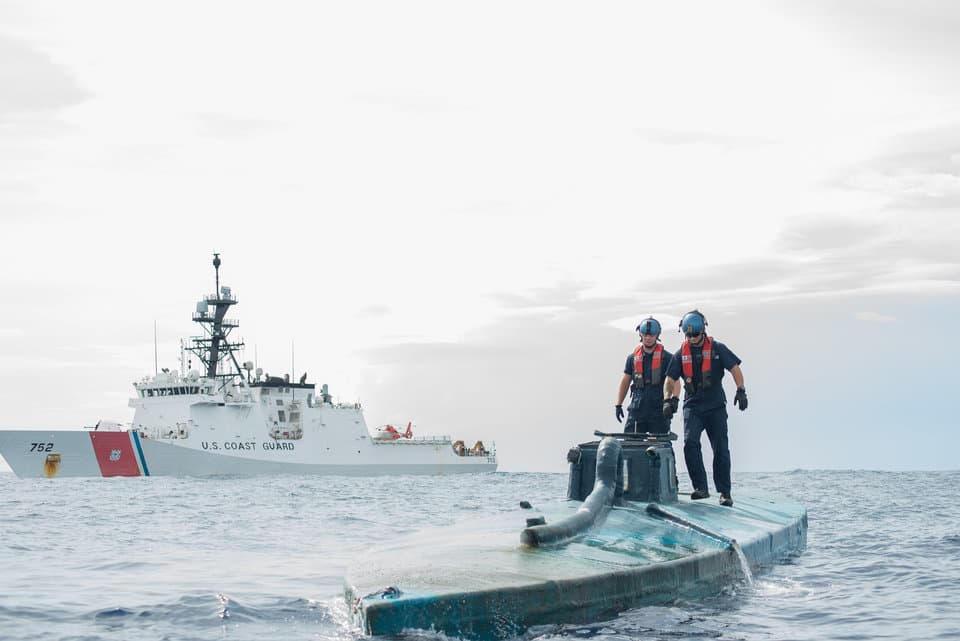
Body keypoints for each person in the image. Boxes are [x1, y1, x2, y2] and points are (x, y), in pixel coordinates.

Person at [662, 310, 747, 507]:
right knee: (690, 443)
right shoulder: (680, 355)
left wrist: (741, 390)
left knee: (721, 449)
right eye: (688, 335)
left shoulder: (717, 349)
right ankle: (700, 487)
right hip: (693, 406)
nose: (692, 339)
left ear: (703, 331)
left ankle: (725, 492)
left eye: (695, 334)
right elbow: (670, 379)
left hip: (715, 405)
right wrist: (668, 400)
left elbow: (735, 368)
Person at [615, 317, 678, 434]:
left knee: (661, 445)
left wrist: (674, 400)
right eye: (645, 335)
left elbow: (675, 381)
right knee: (630, 443)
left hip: (659, 408)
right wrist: (618, 404)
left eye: (651, 335)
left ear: (657, 335)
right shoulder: (632, 358)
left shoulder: (667, 358)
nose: (648, 338)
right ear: (641, 335)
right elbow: (625, 381)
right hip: (637, 408)